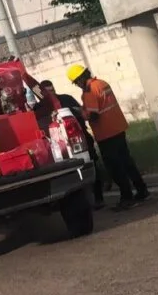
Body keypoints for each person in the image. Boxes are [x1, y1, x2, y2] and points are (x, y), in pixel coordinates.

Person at [67, 64, 149, 211]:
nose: (78, 85)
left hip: (106, 134)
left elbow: (93, 115)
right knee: (126, 161)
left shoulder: (89, 91)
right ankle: (142, 189)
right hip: (118, 128)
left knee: (115, 167)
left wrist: (80, 112)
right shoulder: (102, 83)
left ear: (79, 80)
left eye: (76, 82)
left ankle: (127, 197)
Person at [39, 79, 108, 208]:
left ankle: (99, 197)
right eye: (47, 91)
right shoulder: (39, 108)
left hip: (80, 138)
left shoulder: (67, 99)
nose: (51, 93)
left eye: (52, 90)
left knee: (90, 163)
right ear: (42, 92)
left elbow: (81, 113)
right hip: (57, 146)